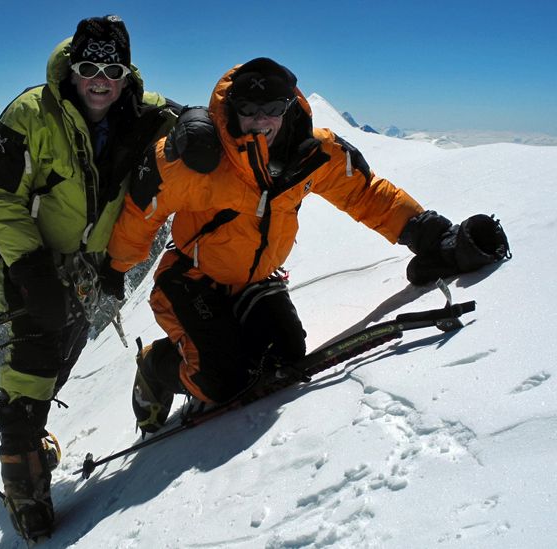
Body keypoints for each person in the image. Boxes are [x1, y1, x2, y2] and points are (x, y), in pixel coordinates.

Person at [106, 57, 510, 434]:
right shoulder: (196, 160)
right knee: (221, 381)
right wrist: (116, 267)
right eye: (249, 110)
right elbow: (143, 210)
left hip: (256, 279)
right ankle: (155, 366)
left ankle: (229, 339)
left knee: (287, 354)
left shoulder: (313, 155)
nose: (261, 122)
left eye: (273, 110)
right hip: (192, 279)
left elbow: (367, 195)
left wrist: (430, 235)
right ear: (232, 109)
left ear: (288, 107)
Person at [0, 15, 178, 541]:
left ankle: (31, 454)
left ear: (126, 72)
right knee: (34, 360)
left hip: (91, 267)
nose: (99, 79)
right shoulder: (29, 114)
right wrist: (28, 268)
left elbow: (191, 124)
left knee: (63, 349)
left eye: (112, 68)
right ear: (72, 67)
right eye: (88, 66)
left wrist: (198, 127)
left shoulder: (146, 113)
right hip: (33, 265)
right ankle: (25, 488)